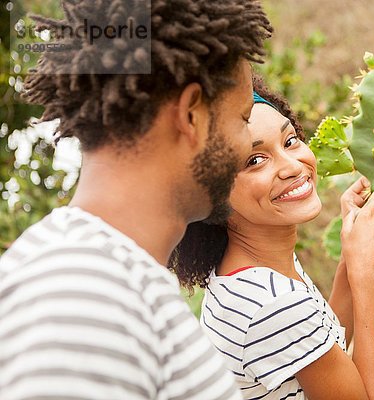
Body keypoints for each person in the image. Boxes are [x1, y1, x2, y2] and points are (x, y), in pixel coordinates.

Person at [0, 1, 272, 399]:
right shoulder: (84, 295)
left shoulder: (105, 279)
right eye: (244, 118)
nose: (248, 141)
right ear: (191, 114)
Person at [169, 76, 374, 400]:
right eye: (254, 160)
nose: (292, 165)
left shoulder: (251, 270)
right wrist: (365, 275)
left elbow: (318, 340)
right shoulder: (272, 304)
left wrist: (349, 259)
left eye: (289, 141)